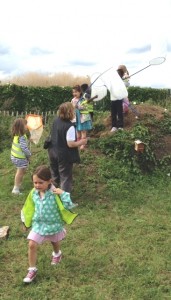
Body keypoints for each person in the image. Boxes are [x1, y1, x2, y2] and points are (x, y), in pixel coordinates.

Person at [21, 165, 78, 283]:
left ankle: (57, 254)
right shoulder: (33, 193)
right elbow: (28, 208)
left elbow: (69, 205)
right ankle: (32, 269)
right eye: (34, 182)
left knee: (54, 242)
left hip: (53, 224)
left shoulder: (55, 193)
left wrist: (63, 194)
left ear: (49, 181)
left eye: (40, 182)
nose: (37, 185)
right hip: (38, 225)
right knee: (31, 244)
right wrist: (26, 222)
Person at [48, 102, 87, 192]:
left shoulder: (56, 120)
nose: (74, 113)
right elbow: (70, 144)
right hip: (63, 155)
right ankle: (65, 201)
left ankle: (51, 195)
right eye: (73, 111)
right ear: (70, 112)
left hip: (52, 151)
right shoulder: (69, 126)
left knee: (54, 175)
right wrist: (82, 142)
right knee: (65, 178)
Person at [11, 118, 31, 194]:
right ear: (21, 127)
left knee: (22, 171)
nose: (27, 126)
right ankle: (15, 189)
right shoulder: (22, 137)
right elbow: (24, 148)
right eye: (25, 125)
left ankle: (18, 184)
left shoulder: (17, 135)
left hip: (15, 157)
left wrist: (28, 140)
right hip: (20, 158)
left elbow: (21, 144)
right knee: (20, 172)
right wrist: (29, 154)